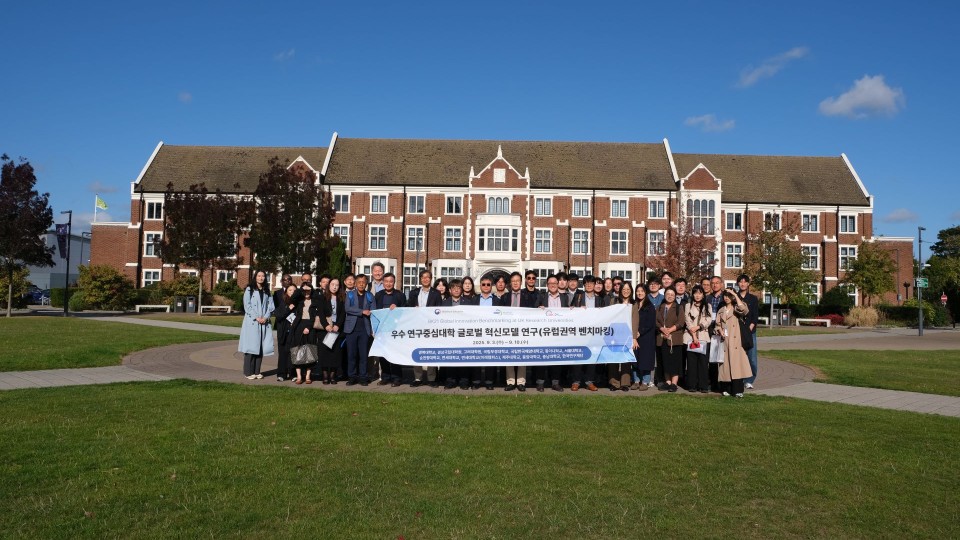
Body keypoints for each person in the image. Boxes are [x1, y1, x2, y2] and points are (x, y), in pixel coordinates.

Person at [408, 270, 442, 386]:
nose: (425, 279)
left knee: (431, 352)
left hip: (431, 327)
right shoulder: (414, 293)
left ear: (431, 279)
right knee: (417, 351)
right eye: (423, 277)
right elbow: (408, 308)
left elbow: (439, 310)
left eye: (428, 277)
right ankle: (418, 378)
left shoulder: (436, 293)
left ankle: (432, 379)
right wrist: (414, 309)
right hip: (417, 326)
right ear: (420, 279)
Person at [239, 270, 275, 380]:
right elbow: (247, 306)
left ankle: (257, 371)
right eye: (259, 276)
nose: (261, 278)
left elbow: (271, 306)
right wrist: (257, 317)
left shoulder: (266, 291)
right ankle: (248, 372)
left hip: (263, 322)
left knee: (260, 347)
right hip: (252, 322)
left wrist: (265, 317)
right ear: (255, 277)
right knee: (250, 347)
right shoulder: (249, 290)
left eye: (263, 276)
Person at [535, 274, 568, 392]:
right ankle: (540, 383)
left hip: (558, 333)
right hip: (544, 333)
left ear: (558, 284)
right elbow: (533, 311)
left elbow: (569, 312)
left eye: (555, 283)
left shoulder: (565, 297)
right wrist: (539, 309)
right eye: (550, 283)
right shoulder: (541, 296)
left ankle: (555, 383)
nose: (553, 285)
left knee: (556, 358)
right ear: (547, 285)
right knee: (542, 358)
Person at [716, 288, 751, 398]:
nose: (726, 298)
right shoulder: (721, 310)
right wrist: (720, 330)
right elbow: (717, 324)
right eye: (725, 295)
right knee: (725, 366)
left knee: (737, 367)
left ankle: (738, 390)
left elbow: (744, 310)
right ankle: (725, 388)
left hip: (736, 341)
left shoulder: (737, 308)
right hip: (725, 341)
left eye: (729, 295)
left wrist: (735, 295)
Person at [374, 272, 406, 386]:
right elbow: (375, 313)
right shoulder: (378, 295)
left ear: (394, 282)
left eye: (391, 281)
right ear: (383, 282)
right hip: (382, 330)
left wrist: (397, 309)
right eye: (386, 281)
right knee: (383, 354)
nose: (388, 284)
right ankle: (385, 377)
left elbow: (405, 311)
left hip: (395, 330)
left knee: (395, 354)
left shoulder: (400, 295)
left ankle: (397, 378)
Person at [569, 275, 601, 391]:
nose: (589, 285)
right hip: (580, 332)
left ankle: (589, 381)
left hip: (593, 333)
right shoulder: (578, 296)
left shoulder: (599, 299)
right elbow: (570, 310)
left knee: (592, 358)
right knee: (578, 357)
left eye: (591, 283)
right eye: (586, 283)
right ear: (584, 285)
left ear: (594, 285)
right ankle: (576, 381)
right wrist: (576, 308)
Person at [606, 281, 638, 392]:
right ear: (620, 291)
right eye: (624, 289)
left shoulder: (634, 304)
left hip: (628, 335)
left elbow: (635, 321)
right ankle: (614, 383)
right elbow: (609, 317)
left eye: (628, 289)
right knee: (613, 359)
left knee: (626, 360)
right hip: (614, 334)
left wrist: (634, 338)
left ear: (631, 291)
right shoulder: (614, 301)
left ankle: (625, 383)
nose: (626, 291)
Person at [344, 274, 375, 385]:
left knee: (363, 355)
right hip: (351, 329)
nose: (361, 284)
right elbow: (347, 309)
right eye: (359, 282)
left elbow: (373, 312)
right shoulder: (350, 295)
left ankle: (363, 377)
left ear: (366, 284)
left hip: (365, 330)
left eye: (363, 282)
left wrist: (373, 329)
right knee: (351, 355)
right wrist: (362, 311)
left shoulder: (370, 296)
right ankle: (352, 377)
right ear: (355, 284)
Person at [501, 271, 529, 391]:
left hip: (523, 330)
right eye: (513, 281)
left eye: (517, 281)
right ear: (510, 283)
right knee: (509, 355)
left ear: (521, 282)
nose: (515, 283)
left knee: (522, 355)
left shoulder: (528, 297)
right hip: (508, 330)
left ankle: (521, 382)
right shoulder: (504, 297)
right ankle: (511, 381)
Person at [441, 279, 471, 389]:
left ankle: (464, 381)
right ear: (449, 290)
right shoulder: (444, 304)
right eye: (454, 288)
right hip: (449, 335)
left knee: (464, 357)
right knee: (451, 357)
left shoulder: (468, 303)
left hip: (463, 335)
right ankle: (450, 380)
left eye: (458, 288)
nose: (456, 290)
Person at [290, 281, 320, 384]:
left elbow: (315, 316)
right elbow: (292, 298)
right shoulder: (299, 300)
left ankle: (308, 376)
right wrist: (301, 289)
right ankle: (299, 376)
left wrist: (309, 327)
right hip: (299, 325)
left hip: (310, 325)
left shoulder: (315, 300)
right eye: (304, 290)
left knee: (310, 350)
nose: (306, 292)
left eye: (308, 290)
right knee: (297, 350)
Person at [656, 286, 686, 392]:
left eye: (672, 295)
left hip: (674, 338)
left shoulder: (679, 307)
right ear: (664, 295)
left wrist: (669, 330)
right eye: (668, 294)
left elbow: (681, 322)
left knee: (675, 362)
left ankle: (674, 383)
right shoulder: (660, 307)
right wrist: (662, 329)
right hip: (663, 338)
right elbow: (656, 321)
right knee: (665, 361)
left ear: (675, 296)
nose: (670, 296)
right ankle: (667, 382)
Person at [470, 276, 498, 390]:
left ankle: (489, 381)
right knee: (476, 356)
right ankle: (476, 381)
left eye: (488, 284)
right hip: (477, 332)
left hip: (492, 332)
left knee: (490, 357)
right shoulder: (474, 300)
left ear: (491, 286)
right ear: (480, 286)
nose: (486, 286)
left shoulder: (497, 300)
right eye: (483, 284)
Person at [684, 285, 712, 393]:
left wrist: (699, 326)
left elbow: (709, 319)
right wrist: (694, 334)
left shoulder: (707, 306)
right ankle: (692, 385)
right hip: (691, 337)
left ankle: (703, 385)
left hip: (704, 337)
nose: (697, 295)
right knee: (691, 362)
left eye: (700, 293)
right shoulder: (688, 305)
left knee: (703, 363)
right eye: (695, 293)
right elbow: (687, 320)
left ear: (703, 295)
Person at [317, 277, 345, 385]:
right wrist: (326, 325)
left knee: (335, 354)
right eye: (333, 284)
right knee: (324, 353)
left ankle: (333, 376)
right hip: (325, 330)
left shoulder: (342, 298)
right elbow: (320, 313)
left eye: (337, 285)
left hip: (336, 329)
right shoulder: (323, 297)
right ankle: (325, 375)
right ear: (329, 285)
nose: (334, 287)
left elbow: (343, 313)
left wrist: (337, 325)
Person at [737, 274, 760, 390]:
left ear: (748, 284)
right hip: (737, 331)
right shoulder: (735, 297)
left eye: (745, 282)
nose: (742, 284)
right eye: (740, 282)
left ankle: (750, 380)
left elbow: (755, 315)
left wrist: (750, 327)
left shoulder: (753, 299)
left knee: (751, 357)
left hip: (750, 331)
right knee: (739, 357)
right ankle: (739, 379)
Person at [273, 282, 298, 381]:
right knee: (283, 353)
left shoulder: (299, 303)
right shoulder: (282, 302)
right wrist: (288, 308)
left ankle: (293, 374)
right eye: (290, 290)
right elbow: (278, 316)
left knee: (293, 352)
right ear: (286, 292)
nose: (292, 292)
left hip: (294, 331)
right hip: (283, 331)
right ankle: (281, 374)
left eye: (294, 290)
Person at [635, 285, 657, 390]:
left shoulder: (650, 306)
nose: (639, 293)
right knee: (635, 359)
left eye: (642, 291)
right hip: (634, 337)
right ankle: (636, 380)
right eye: (638, 291)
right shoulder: (634, 305)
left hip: (646, 337)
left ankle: (645, 381)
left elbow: (650, 323)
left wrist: (640, 332)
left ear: (645, 292)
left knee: (645, 360)